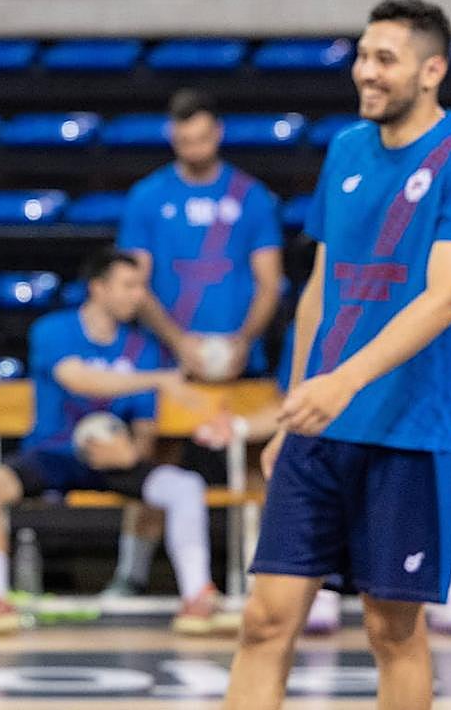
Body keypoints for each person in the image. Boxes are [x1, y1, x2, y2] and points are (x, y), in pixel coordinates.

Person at [223, 0, 451, 710]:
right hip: (320, 426)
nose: (366, 71)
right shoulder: (347, 148)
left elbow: (444, 299)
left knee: (392, 631)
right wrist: (294, 407)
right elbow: (319, 292)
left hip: (410, 432)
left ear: (432, 70)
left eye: (386, 59)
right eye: (362, 55)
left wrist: (342, 382)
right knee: (264, 621)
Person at [0, 248, 238, 636]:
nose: (139, 296)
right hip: (54, 454)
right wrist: (159, 379)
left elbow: (145, 425)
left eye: (142, 287)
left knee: (185, 486)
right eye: (129, 286)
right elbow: (78, 379)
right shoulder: (54, 330)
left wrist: (131, 453)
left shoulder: (143, 347)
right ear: (99, 288)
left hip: (114, 459)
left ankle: (198, 596)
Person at [199, 323, 451, 636]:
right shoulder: (321, 317)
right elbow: (296, 400)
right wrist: (244, 426)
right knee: (311, 451)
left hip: (403, 439)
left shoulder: (421, 318)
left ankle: (449, 589)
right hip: (332, 440)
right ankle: (320, 586)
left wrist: (348, 384)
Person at [111, 89, 283, 596]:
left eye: (202, 138)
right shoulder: (148, 197)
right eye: (185, 140)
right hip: (169, 360)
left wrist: (243, 340)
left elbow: (269, 282)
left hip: (241, 360)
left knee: (258, 464)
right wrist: (178, 341)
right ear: (173, 137)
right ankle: (131, 576)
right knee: (154, 464)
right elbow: (135, 282)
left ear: (218, 134)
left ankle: (267, 575)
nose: (194, 148)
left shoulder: (251, 197)